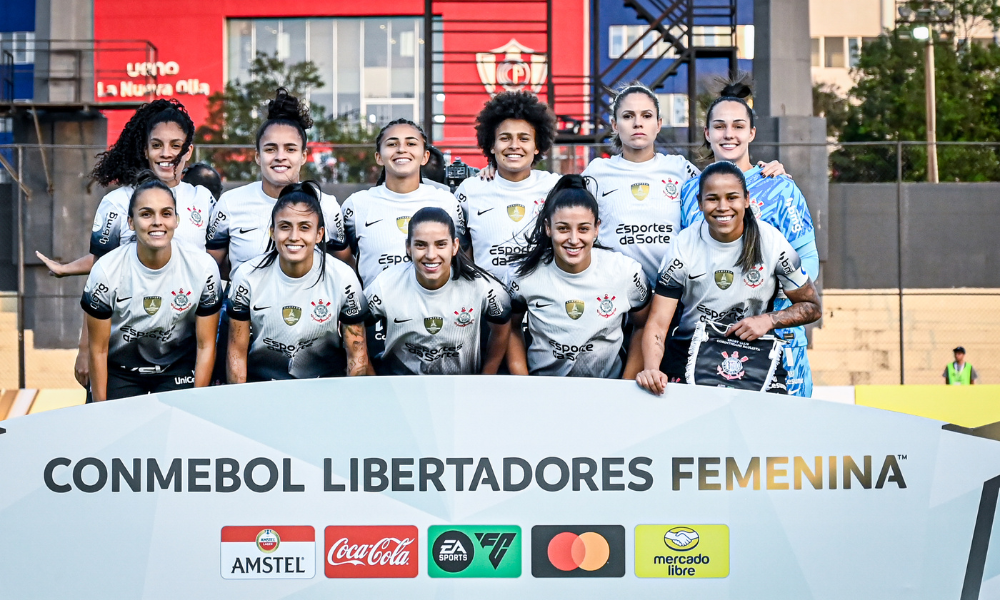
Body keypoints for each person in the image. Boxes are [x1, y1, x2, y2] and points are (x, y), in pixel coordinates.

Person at [34, 99, 215, 391]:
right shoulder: (117, 203)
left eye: (175, 145)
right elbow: (100, 274)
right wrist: (84, 349)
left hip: (180, 354)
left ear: (188, 150)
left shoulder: (203, 201)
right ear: (145, 150)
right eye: (157, 145)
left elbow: (215, 269)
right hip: (123, 354)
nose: (166, 153)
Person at [679, 75, 819, 398]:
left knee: (780, 443)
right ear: (707, 133)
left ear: (752, 133)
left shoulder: (779, 187)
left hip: (777, 343)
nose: (729, 134)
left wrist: (770, 316)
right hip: (710, 346)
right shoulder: (689, 191)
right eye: (720, 126)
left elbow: (808, 263)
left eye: (738, 126)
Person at [636, 162, 822, 396]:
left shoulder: (772, 243)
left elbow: (812, 307)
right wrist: (652, 369)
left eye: (732, 197)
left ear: (746, 199)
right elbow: (658, 323)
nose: (723, 207)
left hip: (754, 351)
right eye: (713, 199)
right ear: (700, 202)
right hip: (689, 350)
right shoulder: (684, 245)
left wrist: (768, 320)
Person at [80, 174, 222, 401]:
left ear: (176, 219)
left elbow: (205, 345)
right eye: (146, 214)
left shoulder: (203, 268)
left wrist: (197, 403)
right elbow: (98, 350)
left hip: (176, 368)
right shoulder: (106, 270)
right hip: (120, 369)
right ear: (130, 222)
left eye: (166, 213)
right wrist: (101, 411)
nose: (157, 221)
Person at [505, 175, 651, 378]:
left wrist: (625, 385)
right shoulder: (522, 275)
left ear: (596, 229)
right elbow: (511, 328)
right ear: (548, 228)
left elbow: (644, 325)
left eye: (583, 229)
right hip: (544, 391)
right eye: (563, 228)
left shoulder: (626, 272)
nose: (574, 240)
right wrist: (524, 382)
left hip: (606, 392)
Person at [226, 182, 371, 382]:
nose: (294, 237)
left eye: (305, 227)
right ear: (272, 231)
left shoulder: (343, 278)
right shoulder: (247, 277)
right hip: (263, 387)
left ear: (319, 234)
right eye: (285, 227)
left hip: (325, 387)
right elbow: (237, 354)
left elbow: (357, 356)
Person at [206, 88, 350, 279]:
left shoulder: (327, 206)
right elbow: (210, 269)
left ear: (303, 156)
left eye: (290, 149)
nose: (280, 157)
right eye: (270, 149)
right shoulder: (230, 203)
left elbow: (345, 267)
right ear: (258, 156)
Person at [363, 207, 512, 375]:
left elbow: (503, 327)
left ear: (455, 246)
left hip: (461, 388)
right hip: (400, 390)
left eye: (441, 244)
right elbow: (353, 327)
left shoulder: (484, 287)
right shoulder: (384, 286)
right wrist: (373, 380)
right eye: (420, 245)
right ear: (408, 248)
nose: (431, 255)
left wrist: (486, 376)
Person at [342, 118, 467, 288]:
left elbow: (463, 256)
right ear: (378, 157)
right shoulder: (356, 205)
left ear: (425, 156)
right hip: (375, 313)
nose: (401, 149)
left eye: (411, 144)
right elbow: (342, 260)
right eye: (392, 144)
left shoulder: (446, 202)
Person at [456, 90, 561, 282]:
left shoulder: (554, 187)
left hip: (541, 302)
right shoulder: (470, 190)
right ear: (491, 145)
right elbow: (461, 252)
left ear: (537, 146)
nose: (514, 145)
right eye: (505, 138)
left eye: (524, 138)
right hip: (488, 305)